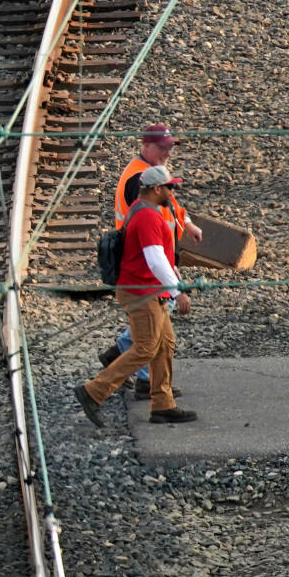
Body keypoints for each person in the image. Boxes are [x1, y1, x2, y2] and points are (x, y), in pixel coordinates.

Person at [78, 165, 197, 425]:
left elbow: (159, 258)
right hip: (142, 292)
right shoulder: (148, 217)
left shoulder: (142, 211)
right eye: (170, 187)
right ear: (156, 189)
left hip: (149, 289)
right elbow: (155, 260)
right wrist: (179, 293)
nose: (172, 192)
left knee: (164, 345)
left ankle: (163, 405)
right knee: (145, 348)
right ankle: (93, 391)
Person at [104, 124, 200, 397]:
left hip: (156, 254)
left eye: (171, 147)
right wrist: (175, 286)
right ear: (145, 146)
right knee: (155, 318)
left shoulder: (151, 174)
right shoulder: (138, 178)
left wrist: (188, 223)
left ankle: (129, 363)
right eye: (163, 147)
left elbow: (170, 202)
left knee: (157, 318)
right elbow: (149, 217)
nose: (168, 152)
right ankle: (139, 375)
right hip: (147, 258)